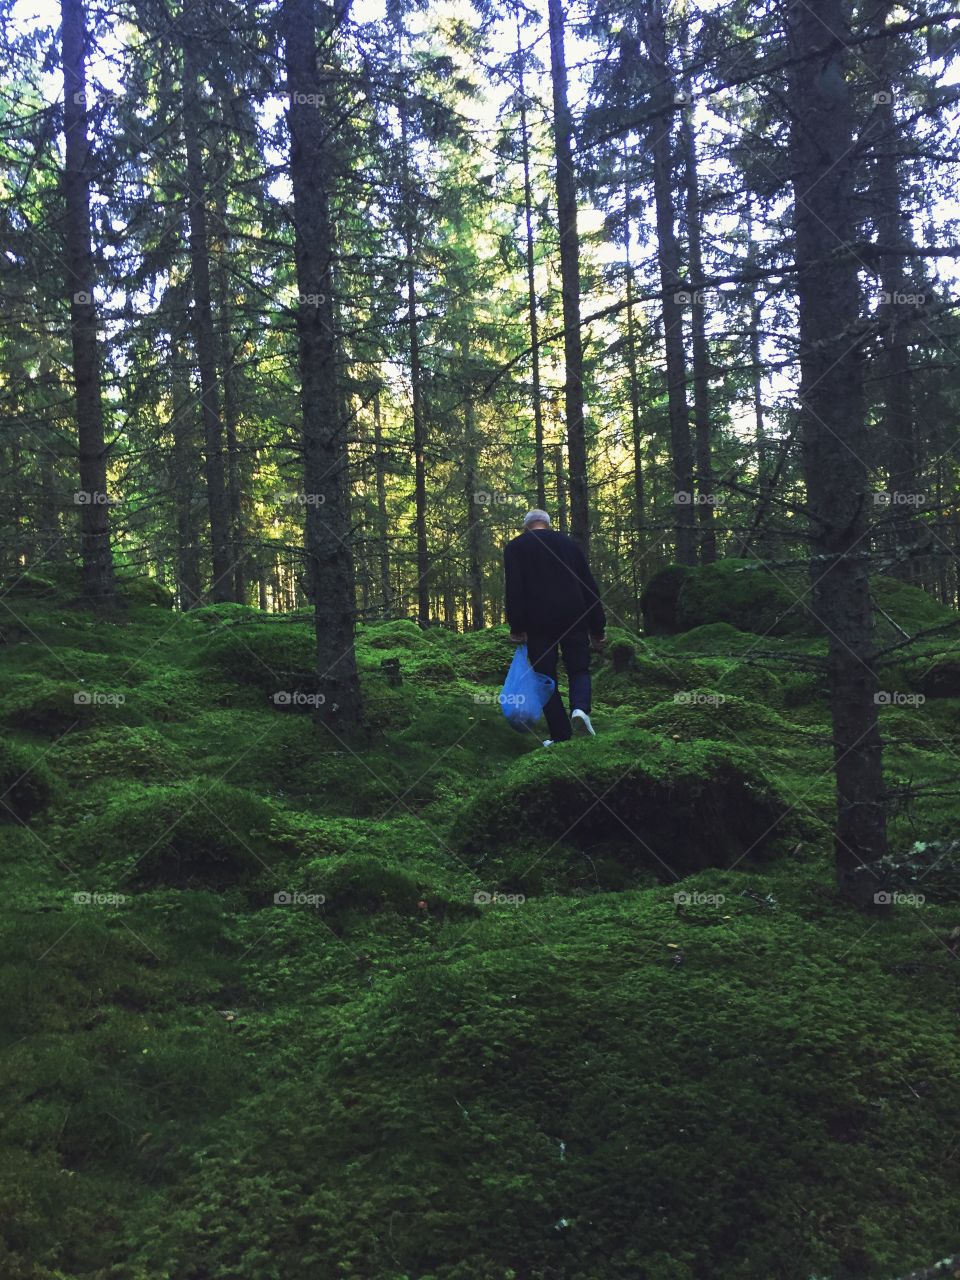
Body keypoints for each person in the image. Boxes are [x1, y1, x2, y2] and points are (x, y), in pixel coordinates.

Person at [503, 508, 606, 745]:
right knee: (579, 668)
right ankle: (580, 710)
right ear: (547, 524)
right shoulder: (569, 544)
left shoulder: (516, 547)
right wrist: (597, 627)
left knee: (544, 676)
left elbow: (514, 588)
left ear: (526, 527)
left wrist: (517, 625)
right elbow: (588, 585)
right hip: (574, 615)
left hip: (537, 621)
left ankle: (560, 735)